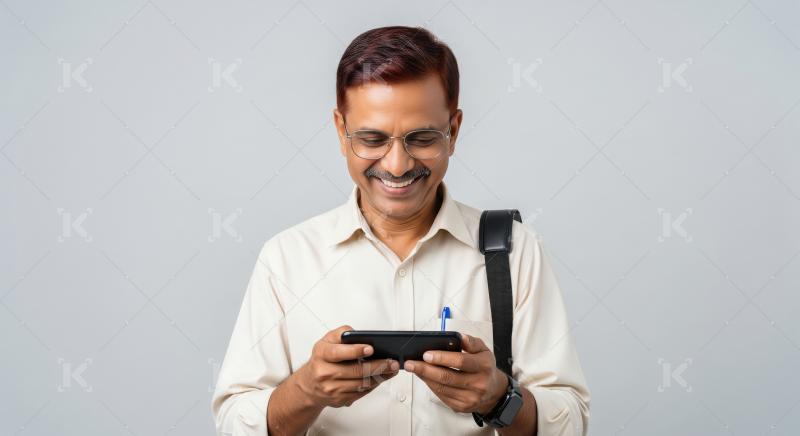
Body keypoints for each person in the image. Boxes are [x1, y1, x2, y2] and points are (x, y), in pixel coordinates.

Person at [212, 25, 590, 435]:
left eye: (423, 137)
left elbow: (570, 422)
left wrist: (499, 398)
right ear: (341, 132)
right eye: (372, 138)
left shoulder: (516, 252)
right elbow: (234, 423)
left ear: (455, 131)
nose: (396, 165)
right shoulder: (286, 258)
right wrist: (308, 389)